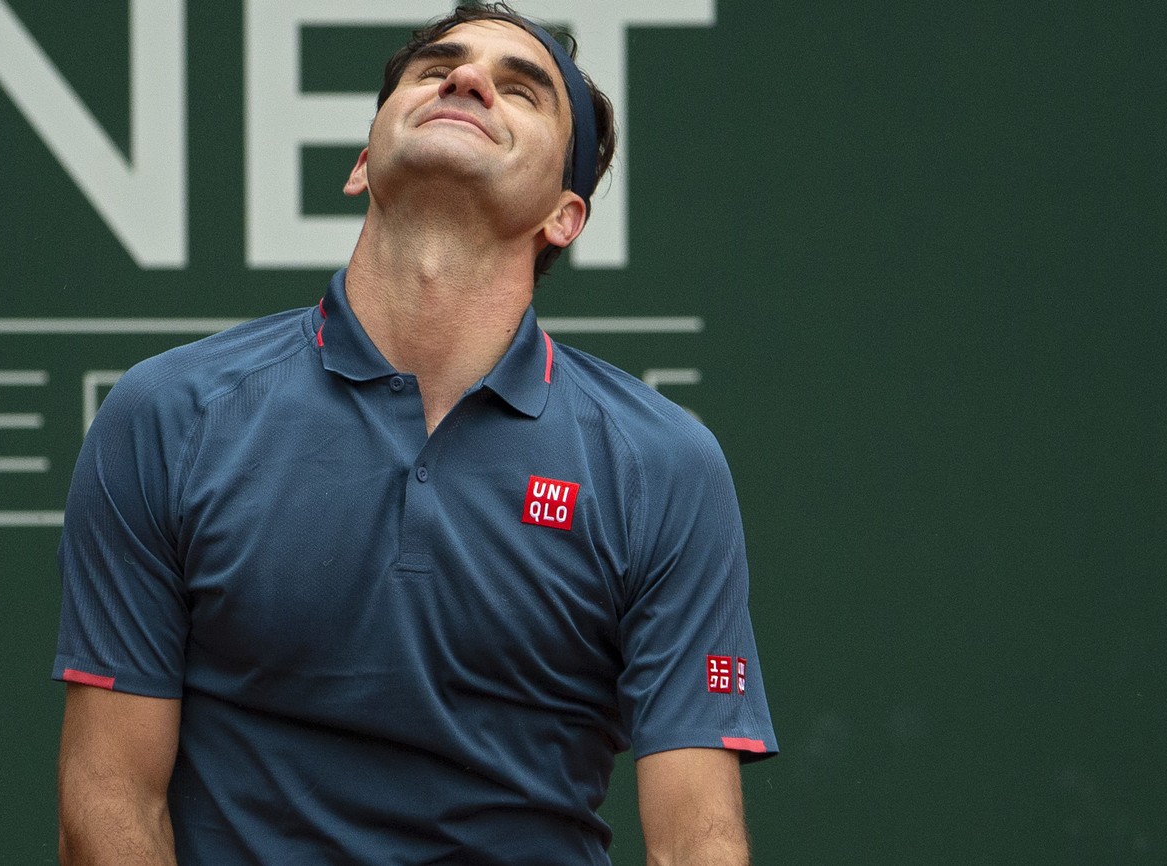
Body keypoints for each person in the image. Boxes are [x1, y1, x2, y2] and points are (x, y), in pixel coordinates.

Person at [52, 4, 778, 864]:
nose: (466, 80)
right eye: (438, 69)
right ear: (363, 163)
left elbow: (698, 842)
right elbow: (109, 803)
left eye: (522, 90)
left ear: (564, 215)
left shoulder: (663, 465)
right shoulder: (168, 414)